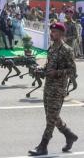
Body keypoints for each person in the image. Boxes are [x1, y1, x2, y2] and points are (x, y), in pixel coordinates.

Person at [28, 22, 78, 156]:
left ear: (61, 34)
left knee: (51, 118)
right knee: (52, 117)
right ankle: (69, 135)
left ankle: (43, 146)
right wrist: (41, 69)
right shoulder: (51, 48)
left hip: (58, 89)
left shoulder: (67, 50)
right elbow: (49, 66)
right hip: (48, 87)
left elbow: (72, 70)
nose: (52, 33)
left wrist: (57, 73)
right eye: (51, 31)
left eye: (55, 31)